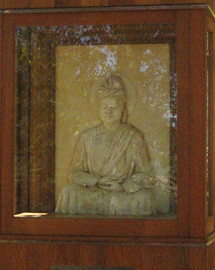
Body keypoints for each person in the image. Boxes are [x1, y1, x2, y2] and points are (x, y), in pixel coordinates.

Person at [56, 73, 157, 216]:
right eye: (104, 107)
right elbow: (74, 172)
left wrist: (124, 186)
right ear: (98, 109)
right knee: (68, 191)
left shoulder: (134, 137)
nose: (108, 111)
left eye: (113, 107)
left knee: (145, 197)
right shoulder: (87, 137)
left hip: (121, 194)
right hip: (94, 191)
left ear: (122, 109)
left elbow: (147, 175)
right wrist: (97, 181)